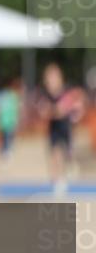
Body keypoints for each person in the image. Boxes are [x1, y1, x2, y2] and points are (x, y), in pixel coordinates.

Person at [36, 63, 85, 196]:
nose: (51, 80)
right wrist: (54, 110)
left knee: (67, 153)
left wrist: (70, 110)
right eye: (49, 77)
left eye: (53, 77)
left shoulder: (66, 91)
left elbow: (66, 108)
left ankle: (69, 165)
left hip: (66, 127)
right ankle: (57, 182)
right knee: (54, 154)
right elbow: (44, 111)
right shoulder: (45, 94)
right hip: (54, 128)